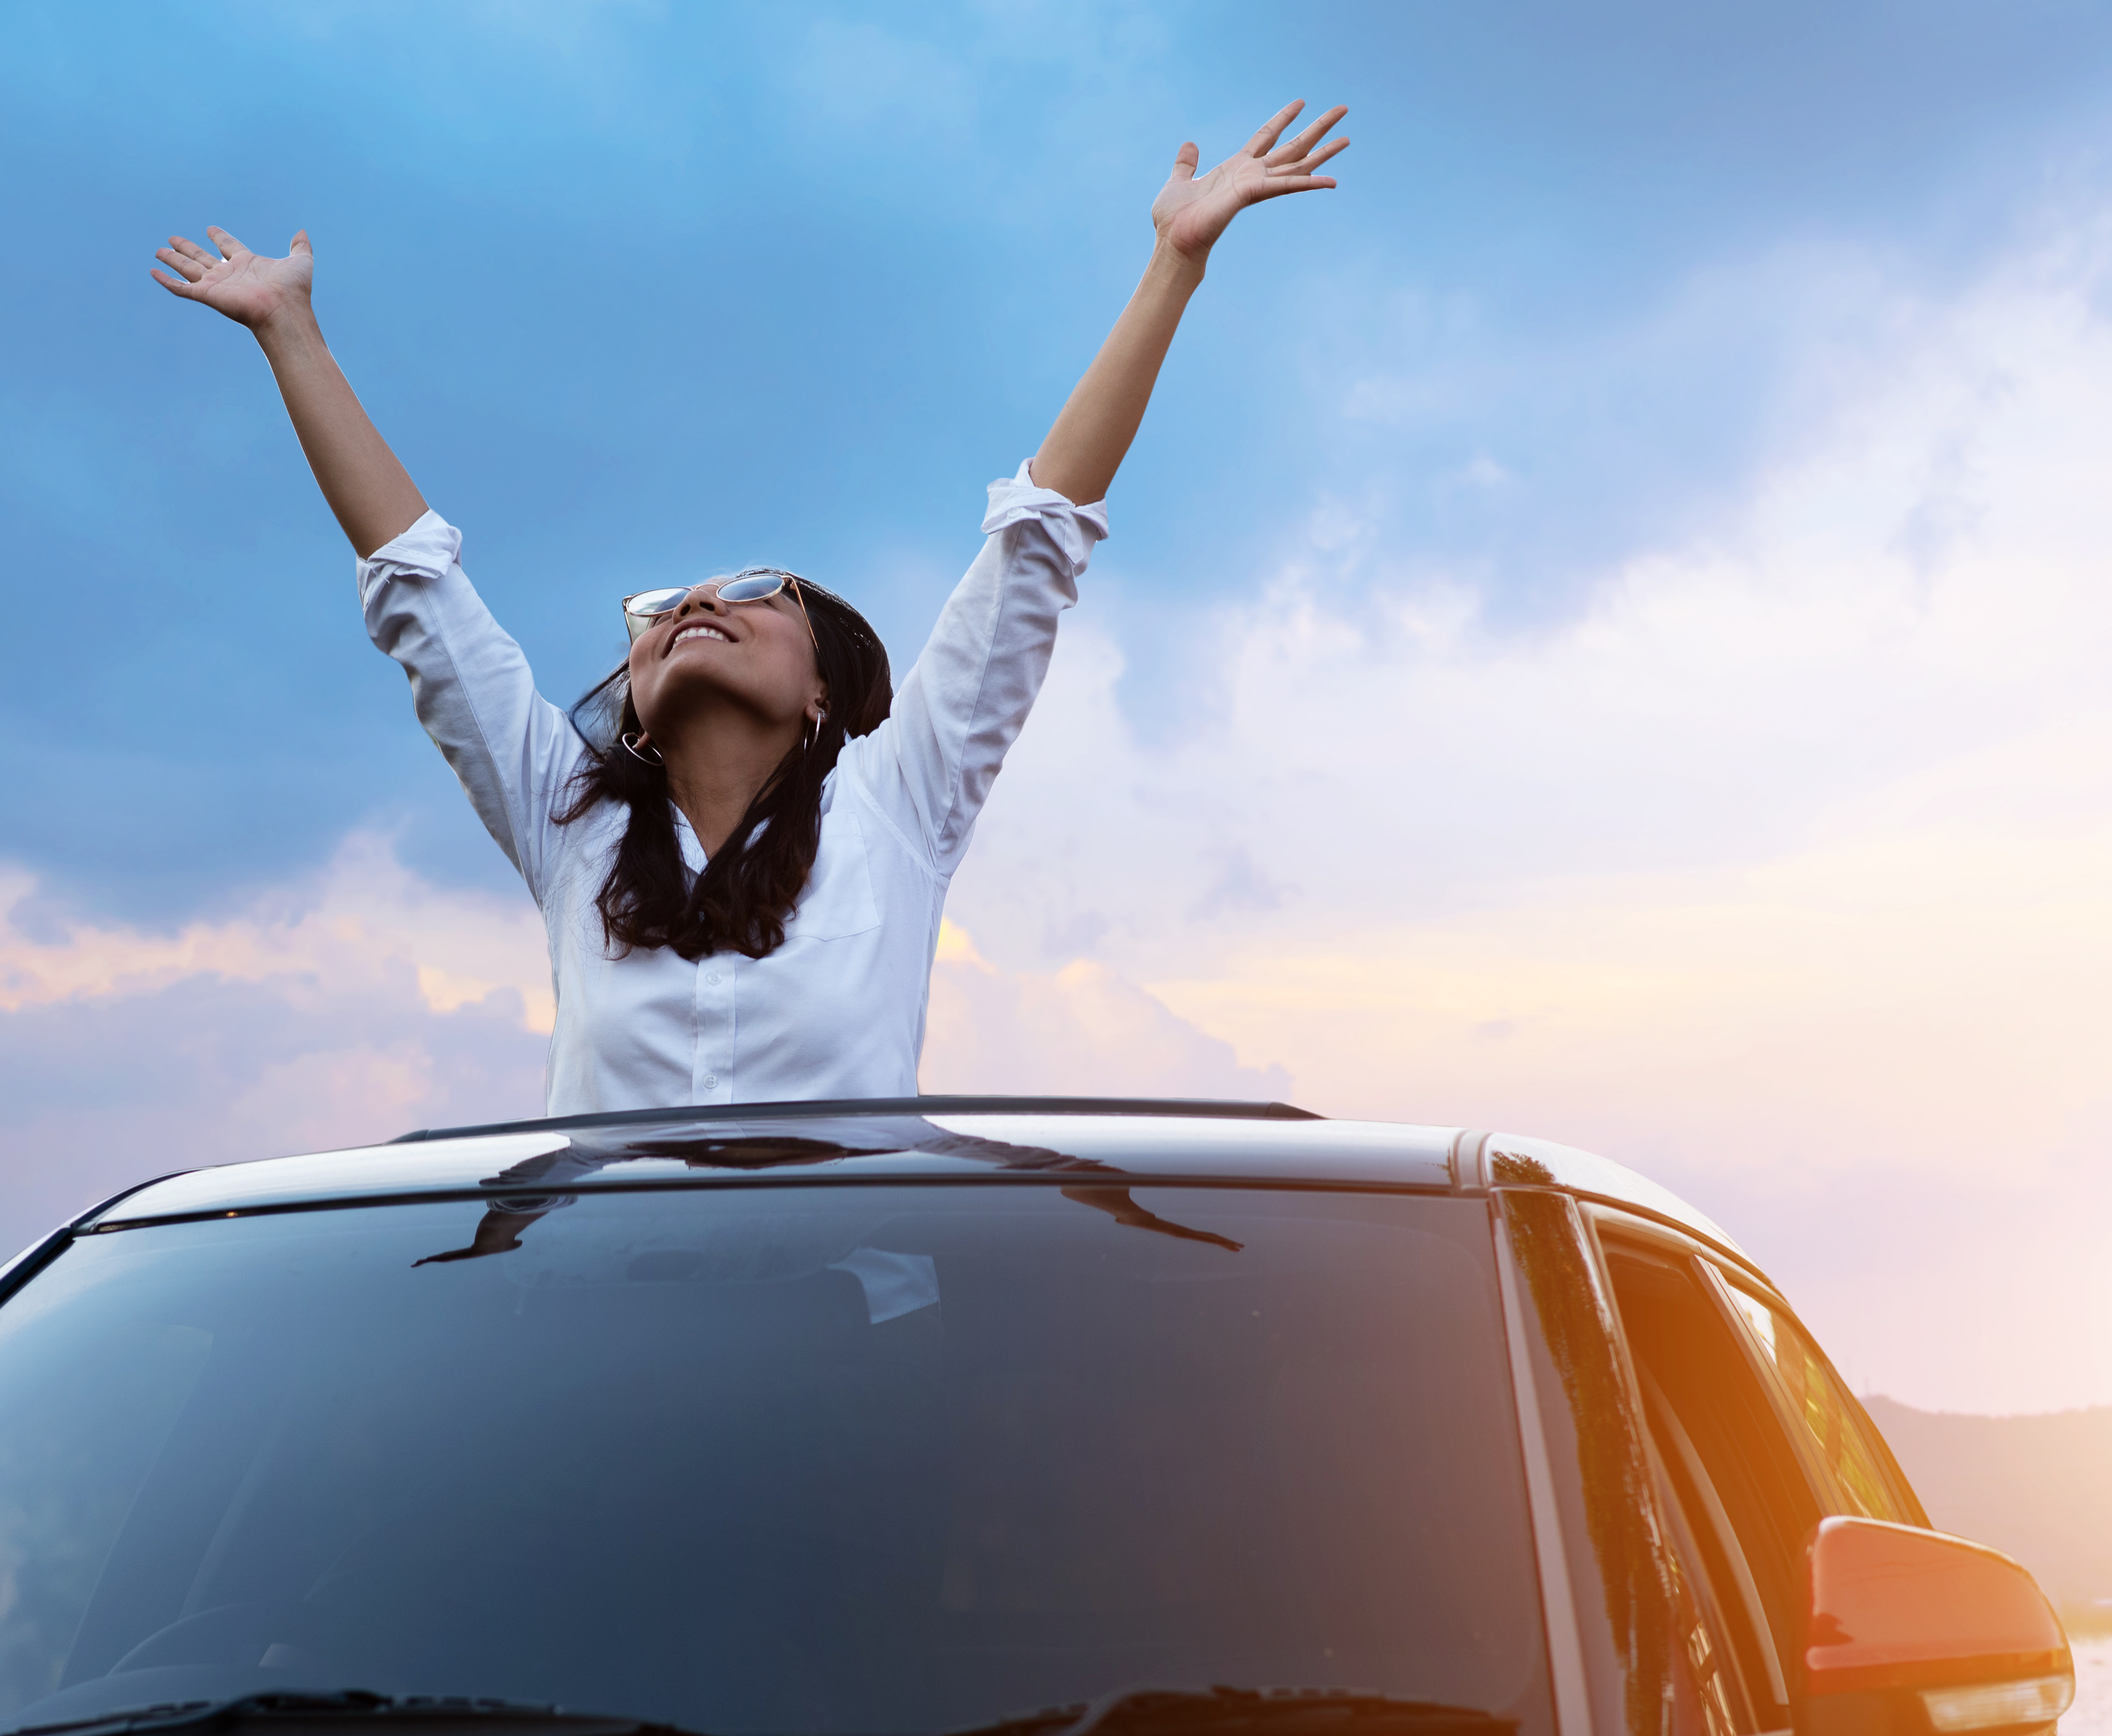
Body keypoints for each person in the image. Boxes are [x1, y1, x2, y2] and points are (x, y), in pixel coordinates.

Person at [152, 102, 1347, 1116]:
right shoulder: (568, 831)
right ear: (629, 704)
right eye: (663, 605)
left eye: (754, 590)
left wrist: (1173, 262)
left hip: (848, 1356)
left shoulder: (898, 806)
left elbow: (1037, 538)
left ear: (824, 687)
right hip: (606, 1342)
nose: (699, 605)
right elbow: (417, 585)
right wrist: (289, 333)